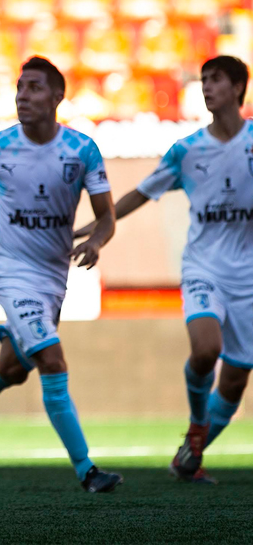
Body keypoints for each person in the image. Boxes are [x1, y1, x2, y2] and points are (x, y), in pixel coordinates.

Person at [0, 57, 122, 493]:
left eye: (33, 88)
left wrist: (96, 241)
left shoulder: (82, 149)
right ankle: (87, 470)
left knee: (13, 368)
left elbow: (106, 217)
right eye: (19, 87)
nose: (23, 96)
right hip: (11, 270)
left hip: (54, 276)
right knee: (51, 358)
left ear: (57, 96)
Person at [75, 55, 253, 484]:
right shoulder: (188, 149)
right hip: (203, 267)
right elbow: (141, 192)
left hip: (247, 277)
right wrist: (100, 227)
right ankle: (196, 423)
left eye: (216, 80)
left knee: (234, 380)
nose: (207, 87)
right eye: (204, 80)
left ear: (238, 89)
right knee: (206, 350)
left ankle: (188, 457)